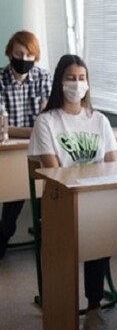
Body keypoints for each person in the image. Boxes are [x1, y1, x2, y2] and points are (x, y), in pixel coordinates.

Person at [28, 54, 117, 330]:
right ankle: (62, 306)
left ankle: (93, 306)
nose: (77, 84)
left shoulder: (99, 120)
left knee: (101, 231)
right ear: (60, 82)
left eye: (82, 78)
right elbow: (54, 171)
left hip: (95, 198)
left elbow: (113, 165)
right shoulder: (47, 121)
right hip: (61, 200)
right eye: (70, 78)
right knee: (85, 232)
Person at [0, 30, 52, 259]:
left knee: (42, 189)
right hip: (7, 149)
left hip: (37, 147)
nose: (24, 59)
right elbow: (2, 126)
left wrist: (20, 130)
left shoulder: (43, 77)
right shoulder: (0, 79)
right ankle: (4, 234)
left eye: (30, 55)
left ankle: (42, 232)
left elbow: (47, 119)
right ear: (10, 53)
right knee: (14, 190)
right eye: (19, 54)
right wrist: (32, 131)